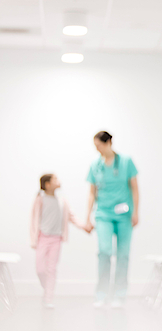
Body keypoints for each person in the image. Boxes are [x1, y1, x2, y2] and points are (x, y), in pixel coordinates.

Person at [85, 131, 139, 308]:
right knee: (105, 252)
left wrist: (136, 212)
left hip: (124, 216)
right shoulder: (95, 165)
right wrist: (87, 217)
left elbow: (134, 189)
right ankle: (101, 295)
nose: (97, 149)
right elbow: (92, 193)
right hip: (103, 215)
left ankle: (119, 295)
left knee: (123, 256)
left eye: (98, 145)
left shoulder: (126, 161)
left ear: (108, 142)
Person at [30, 173, 91, 308]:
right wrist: (34, 238)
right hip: (42, 238)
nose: (59, 181)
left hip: (56, 239)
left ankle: (48, 298)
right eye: (55, 179)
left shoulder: (62, 200)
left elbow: (71, 216)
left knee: (51, 268)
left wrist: (84, 226)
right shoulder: (40, 199)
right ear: (47, 184)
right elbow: (34, 219)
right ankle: (47, 289)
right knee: (40, 269)